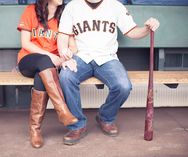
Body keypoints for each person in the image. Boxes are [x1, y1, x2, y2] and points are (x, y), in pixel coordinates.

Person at [57, 0, 160, 145]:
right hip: (80, 57)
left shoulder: (115, 5)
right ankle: (77, 125)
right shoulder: (73, 5)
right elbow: (62, 36)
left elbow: (132, 31)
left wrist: (147, 28)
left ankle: (105, 117)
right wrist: (64, 56)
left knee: (123, 86)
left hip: (107, 58)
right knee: (66, 77)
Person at [17, 0, 78, 148]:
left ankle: (35, 130)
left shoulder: (64, 15)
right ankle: (62, 110)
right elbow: (25, 43)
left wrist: (68, 53)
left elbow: (73, 46)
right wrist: (50, 56)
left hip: (49, 67)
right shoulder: (31, 10)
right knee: (44, 61)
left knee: (41, 76)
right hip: (28, 60)